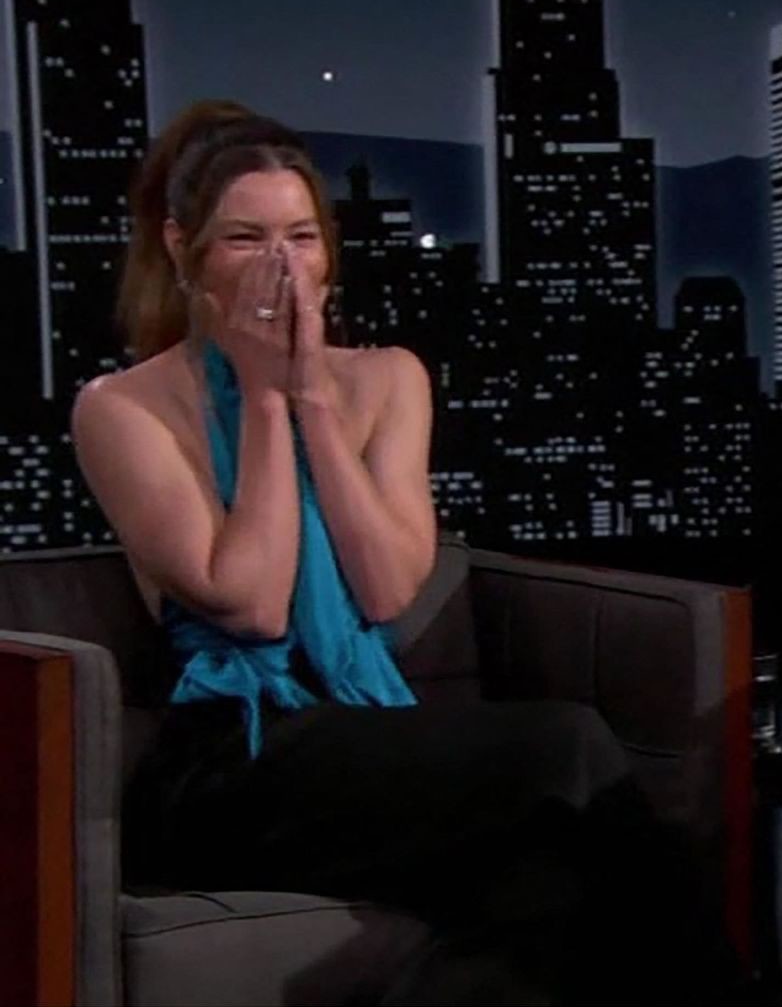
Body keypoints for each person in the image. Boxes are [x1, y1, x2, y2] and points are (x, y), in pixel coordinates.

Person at [70, 101, 738, 1004]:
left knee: (542, 889)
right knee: (567, 743)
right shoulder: (124, 408)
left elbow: (387, 589)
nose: (280, 267)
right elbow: (253, 603)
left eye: (301, 237)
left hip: (366, 724)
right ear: (183, 249)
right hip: (228, 759)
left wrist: (311, 399)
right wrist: (262, 398)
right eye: (245, 239)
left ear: (329, 253)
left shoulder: (387, 379)